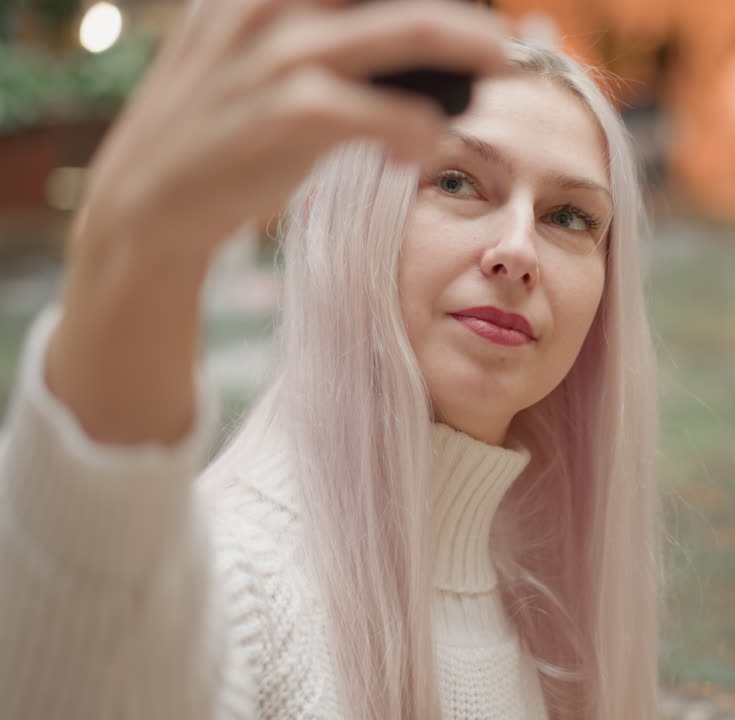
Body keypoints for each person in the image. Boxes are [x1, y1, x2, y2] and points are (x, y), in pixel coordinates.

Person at [0, 1, 660, 719]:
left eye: (570, 218)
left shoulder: (564, 619)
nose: (518, 250)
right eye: (457, 182)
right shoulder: (234, 578)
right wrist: (133, 269)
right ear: (342, 216)